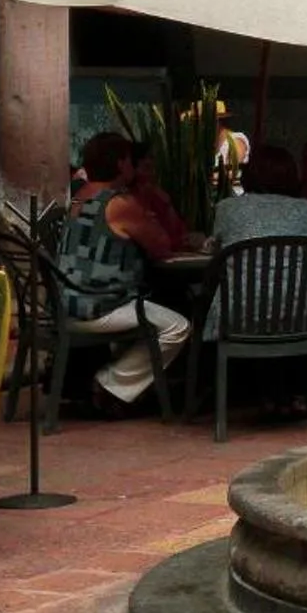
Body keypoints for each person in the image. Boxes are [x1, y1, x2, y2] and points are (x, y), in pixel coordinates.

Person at [207, 145, 307, 411]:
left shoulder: (227, 208)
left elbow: (216, 250)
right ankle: (298, 391)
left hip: (240, 317)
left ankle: (237, 393)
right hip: (300, 316)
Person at [60, 133, 195, 412]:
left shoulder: (77, 198)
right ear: (121, 163)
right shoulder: (119, 204)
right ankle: (109, 384)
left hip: (66, 302)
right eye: (131, 160)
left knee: (152, 314)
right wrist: (158, 201)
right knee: (177, 327)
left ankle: (127, 390)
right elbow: (161, 246)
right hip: (100, 304)